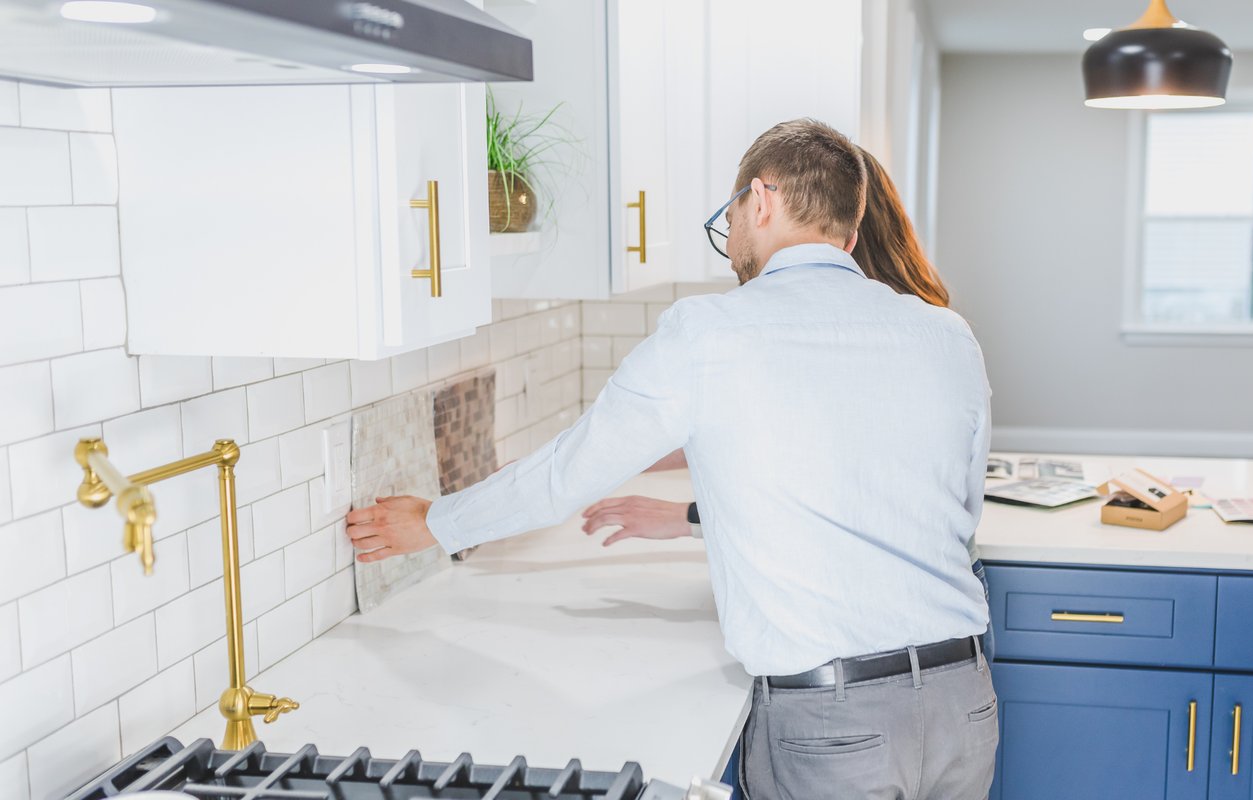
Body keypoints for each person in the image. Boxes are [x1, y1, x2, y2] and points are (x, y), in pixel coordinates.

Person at [345, 119, 996, 800]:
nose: (732, 240)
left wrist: (436, 521)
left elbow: (570, 471)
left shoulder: (709, 332)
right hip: (965, 706)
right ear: (851, 235)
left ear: (761, 200)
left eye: (732, 214)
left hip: (832, 724)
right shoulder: (946, 335)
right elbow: (951, 515)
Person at [583, 143, 997, 662]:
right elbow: (777, 434)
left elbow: (843, 484)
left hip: (888, 630)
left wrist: (684, 514)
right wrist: (594, 460)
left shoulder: (880, 326)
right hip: (945, 643)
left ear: (848, 235)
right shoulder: (921, 327)